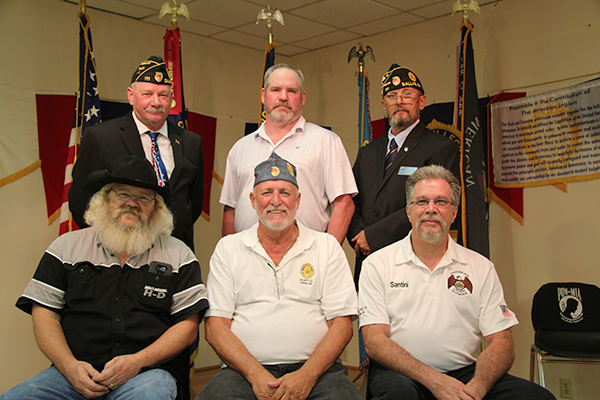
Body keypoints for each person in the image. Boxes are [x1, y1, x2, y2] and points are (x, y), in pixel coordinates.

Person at [2, 156, 209, 400]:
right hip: (72, 374)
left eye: (144, 197)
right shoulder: (65, 247)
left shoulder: (179, 255)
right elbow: (44, 314)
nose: (132, 203)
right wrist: (69, 366)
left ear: (156, 208)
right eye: (122, 194)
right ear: (105, 200)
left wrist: (137, 362)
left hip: (146, 374)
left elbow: (187, 326)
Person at [358, 165, 555, 400]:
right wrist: (436, 381)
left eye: (441, 202)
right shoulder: (378, 264)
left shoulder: (480, 267)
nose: (431, 209)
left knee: (538, 397)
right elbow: (374, 341)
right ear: (409, 211)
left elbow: (501, 341)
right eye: (422, 201)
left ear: (454, 213)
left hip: (466, 375)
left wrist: (476, 389)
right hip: (401, 374)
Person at [197, 153, 361, 400]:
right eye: (266, 193)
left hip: (319, 371)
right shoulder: (228, 248)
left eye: (285, 192)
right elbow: (215, 327)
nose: (276, 201)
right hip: (242, 371)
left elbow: (341, 325)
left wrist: (306, 376)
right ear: (252, 200)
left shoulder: (327, 247)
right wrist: (255, 375)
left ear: (298, 199)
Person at [69, 56, 203, 251]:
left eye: (164, 95)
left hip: (173, 250)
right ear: (131, 96)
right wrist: (108, 244)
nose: (156, 102)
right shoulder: (101, 137)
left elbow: (194, 203)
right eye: (147, 94)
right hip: (116, 250)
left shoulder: (191, 142)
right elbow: (80, 200)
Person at [220, 63, 357, 244]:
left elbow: (344, 204)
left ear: (303, 98)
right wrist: (232, 256)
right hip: (248, 259)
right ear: (263, 95)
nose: (283, 97)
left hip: (308, 261)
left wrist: (327, 256)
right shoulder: (240, 148)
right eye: (276, 89)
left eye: (292, 91)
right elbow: (231, 210)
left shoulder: (326, 141)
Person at [348, 64, 459, 287]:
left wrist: (374, 236)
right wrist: (360, 236)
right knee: (370, 321)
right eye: (392, 96)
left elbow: (432, 204)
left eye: (408, 94)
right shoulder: (368, 152)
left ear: (422, 102)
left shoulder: (439, 147)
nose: (399, 101)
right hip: (368, 261)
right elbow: (351, 200)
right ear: (384, 105)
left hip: (413, 261)